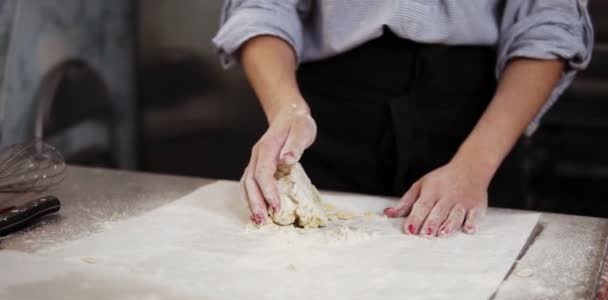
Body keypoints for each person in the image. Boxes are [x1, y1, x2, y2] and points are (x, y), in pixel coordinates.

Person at [213, 1, 593, 237]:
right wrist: (286, 108)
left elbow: (549, 24)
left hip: (481, 118)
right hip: (324, 113)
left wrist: (475, 165)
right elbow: (261, 7)